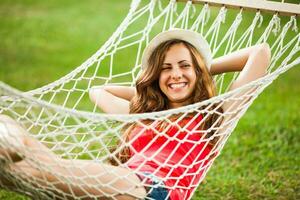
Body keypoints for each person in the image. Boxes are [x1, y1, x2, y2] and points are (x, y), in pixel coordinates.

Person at [0, 29, 271, 200]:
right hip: (120, 185)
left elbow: (259, 53)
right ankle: (9, 142)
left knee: (47, 167)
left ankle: (12, 143)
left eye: (183, 65)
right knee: (16, 175)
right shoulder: (143, 114)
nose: (175, 73)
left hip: (150, 189)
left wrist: (199, 69)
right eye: (165, 68)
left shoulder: (214, 116)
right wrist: (153, 86)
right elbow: (98, 90)